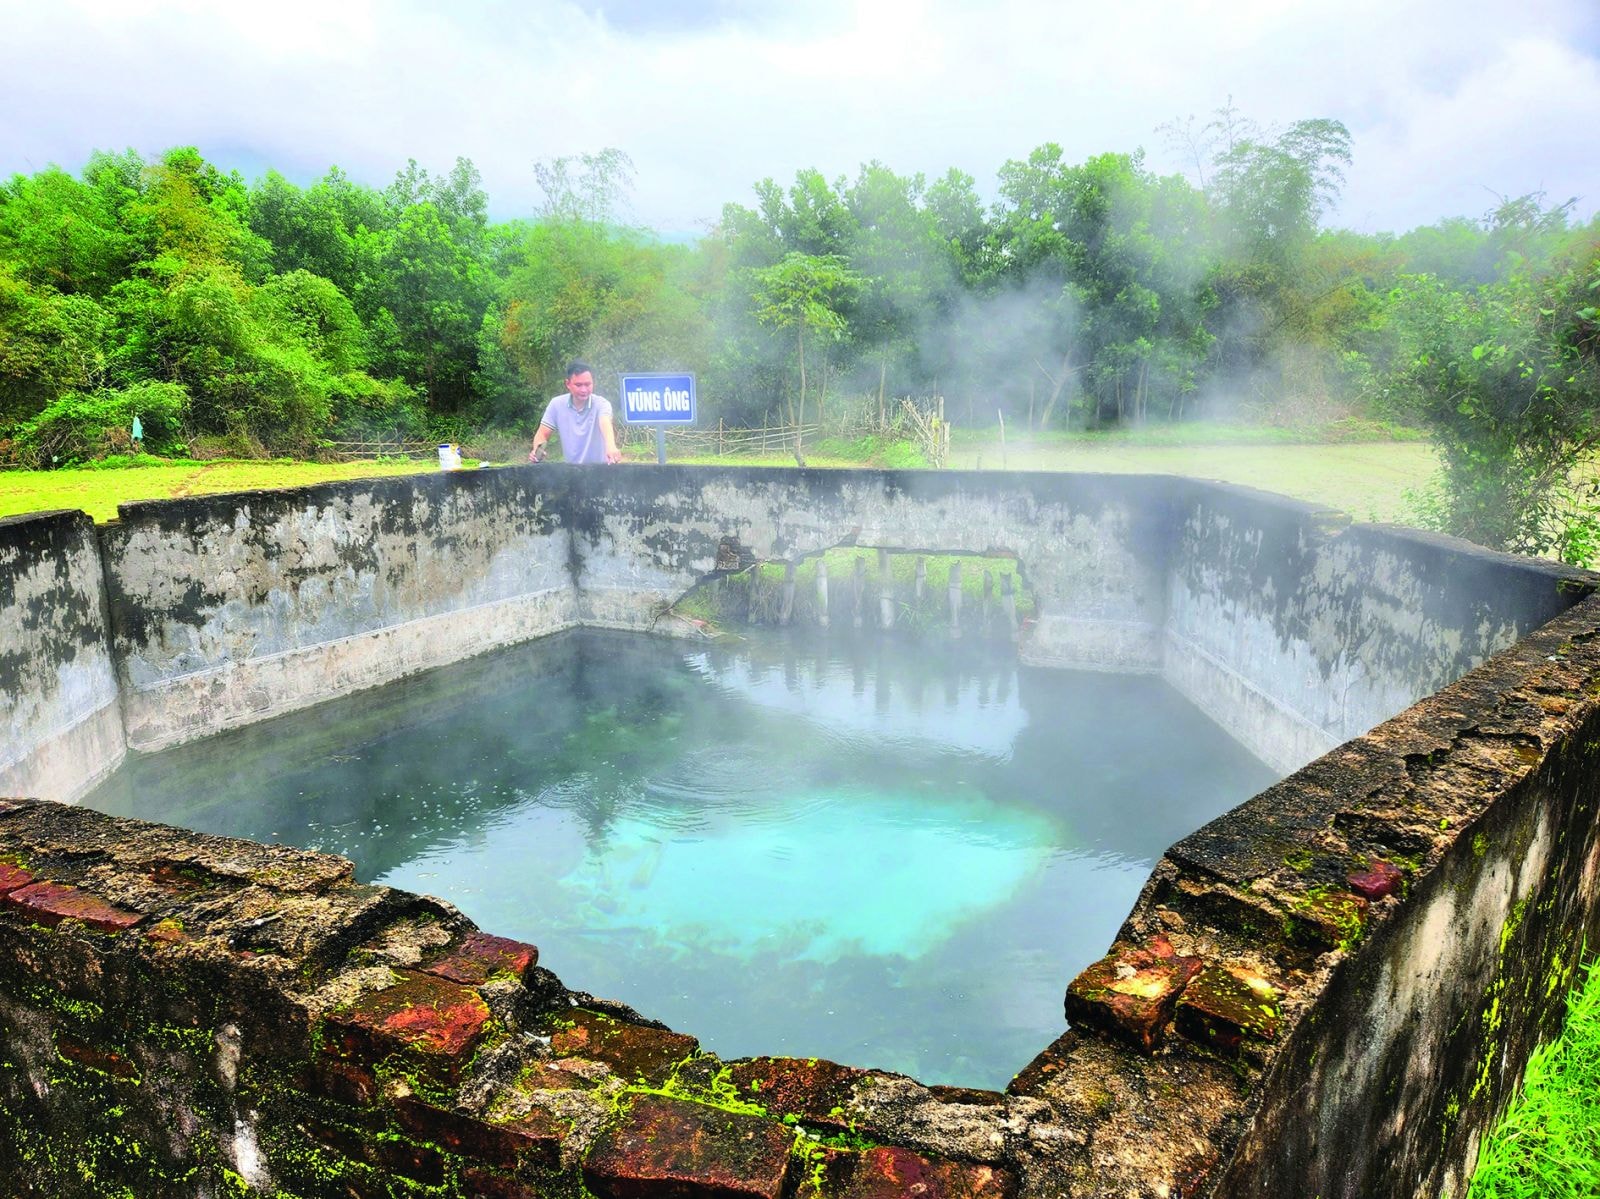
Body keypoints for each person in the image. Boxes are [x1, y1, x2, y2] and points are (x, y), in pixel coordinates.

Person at [528, 361, 624, 464]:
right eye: (578, 385)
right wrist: (537, 450)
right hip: (572, 472)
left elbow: (605, 422)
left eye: (587, 384)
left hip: (600, 470)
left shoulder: (602, 404)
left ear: (593, 382)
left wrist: (611, 447)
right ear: (568, 384)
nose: (584, 390)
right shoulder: (556, 404)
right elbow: (542, 433)